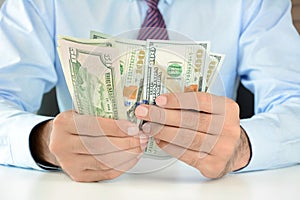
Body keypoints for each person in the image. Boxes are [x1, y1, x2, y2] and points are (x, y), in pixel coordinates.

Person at [0, 0, 300, 182]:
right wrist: (43, 142)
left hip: (212, 189)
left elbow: (294, 100)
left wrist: (243, 147)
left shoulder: (255, 3)